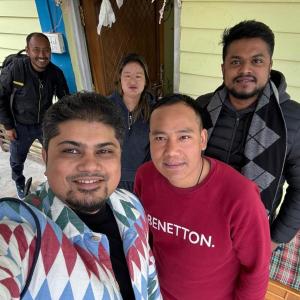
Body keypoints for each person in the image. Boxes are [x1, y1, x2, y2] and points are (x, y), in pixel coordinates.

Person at [0, 92, 161, 299]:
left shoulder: (132, 206)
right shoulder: (19, 235)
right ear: (46, 157)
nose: (90, 165)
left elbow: (150, 285)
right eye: (71, 151)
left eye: (104, 151)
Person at [134, 94, 271, 300]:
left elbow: (256, 270)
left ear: (203, 140)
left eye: (184, 137)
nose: (171, 151)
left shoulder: (241, 198)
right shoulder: (145, 176)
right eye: (160, 138)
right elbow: (144, 238)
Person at [196, 20, 300, 249]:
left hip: (252, 236)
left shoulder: (292, 119)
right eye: (236, 61)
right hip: (198, 228)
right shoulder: (201, 108)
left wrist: (275, 239)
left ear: (269, 65)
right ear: (223, 67)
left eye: (256, 61)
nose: (245, 70)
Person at [0, 32, 69, 200]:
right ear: (28, 51)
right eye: (36, 50)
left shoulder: (55, 73)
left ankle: (53, 182)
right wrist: (8, 126)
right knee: (17, 159)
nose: (42, 55)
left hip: (45, 124)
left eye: (46, 50)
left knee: (53, 155)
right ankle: (19, 181)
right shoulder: (15, 70)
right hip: (19, 126)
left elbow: (66, 100)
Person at [108, 53, 155, 192]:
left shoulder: (154, 111)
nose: (132, 81)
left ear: (146, 81)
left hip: (143, 181)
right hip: (111, 179)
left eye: (138, 76)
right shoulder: (105, 107)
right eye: (127, 76)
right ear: (120, 79)